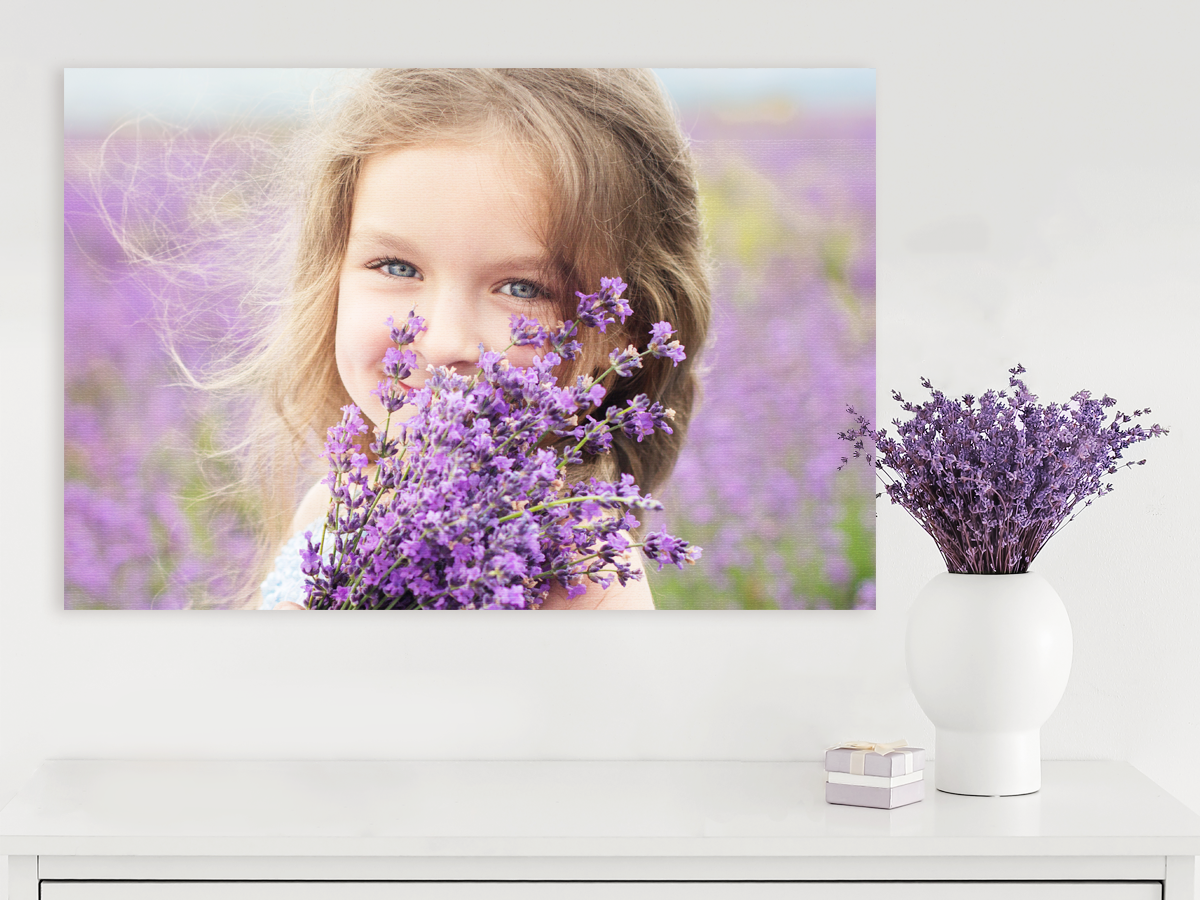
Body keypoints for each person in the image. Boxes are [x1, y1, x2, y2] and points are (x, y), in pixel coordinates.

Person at [245, 69, 711, 610]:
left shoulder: (582, 577)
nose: (443, 343)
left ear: (621, 339)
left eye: (521, 287)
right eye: (397, 266)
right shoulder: (333, 508)